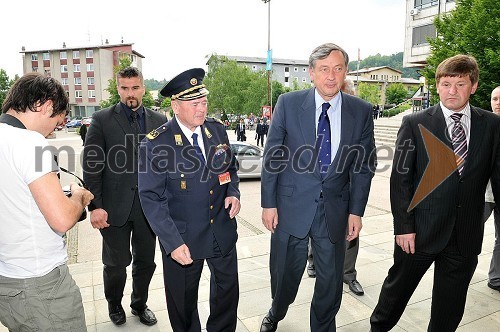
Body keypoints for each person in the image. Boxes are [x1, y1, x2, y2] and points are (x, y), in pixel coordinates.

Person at [370, 55, 500, 332]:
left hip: (465, 235)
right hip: (418, 232)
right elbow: (400, 180)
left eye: (460, 84)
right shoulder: (415, 123)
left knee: (449, 309)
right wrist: (403, 227)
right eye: (446, 83)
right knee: (395, 295)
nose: (452, 91)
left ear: (474, 86)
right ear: (438, 86)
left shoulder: (492, 125)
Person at [260, 43, 376, 332]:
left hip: (334, 212)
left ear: (345, 72)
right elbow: (272, 156)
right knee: (285, 277)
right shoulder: (288, 103)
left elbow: (363, 166)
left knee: (330, 284)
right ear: (311, 73)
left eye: (337, 69)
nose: (331, 76)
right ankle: (276, 312)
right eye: (324, 69)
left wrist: (356, 211)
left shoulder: (360, 111)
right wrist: (268, 203)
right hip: (290, 209)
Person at [138, 68, 241, 332]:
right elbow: (151, 198)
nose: (202, 109)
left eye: (204, 102)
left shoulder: (216, 132)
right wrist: (171, 242)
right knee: (183, 303)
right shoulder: (155, 144)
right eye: (194, 104)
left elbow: (230, 169)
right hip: (182, 238)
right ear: (175, 106)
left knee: (227, 295)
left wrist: (233, 193)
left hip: (220, 229)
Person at [0, 73, 94, 331]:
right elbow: (62, 219)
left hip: (8, 281)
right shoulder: (32, 144)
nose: (55, 129)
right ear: (45, 105)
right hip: (41, 285)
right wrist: (78, 196)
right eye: (57, 120)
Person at [82, 67, 166, 326]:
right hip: (113, 209)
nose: (130, 93)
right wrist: (95, 206)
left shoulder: (159, 121)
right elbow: (92, 166)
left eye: (135, 88)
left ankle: (139, 304)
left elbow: (165, 164)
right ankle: (114, 304)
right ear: (118, 89)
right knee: (116, 265)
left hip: (147, 209)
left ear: (143, 88)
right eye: (124, 88)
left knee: (146, 263)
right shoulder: (102, 119)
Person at [306, 76, 365, 297]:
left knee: (350, 236)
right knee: (317, 229)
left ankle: (348, 274)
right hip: (321, 189)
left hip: (348, 192)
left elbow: (365, 159)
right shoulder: (320, 118)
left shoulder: (358, 117)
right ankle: (313, 261)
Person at [486, 85, 500, 292]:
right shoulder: (484, 124)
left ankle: (496, 278)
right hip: (484, 192)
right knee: (467, 233)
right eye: (495, 98)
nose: (498, 102)